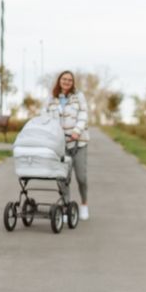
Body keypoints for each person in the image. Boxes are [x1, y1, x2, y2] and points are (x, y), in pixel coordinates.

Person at [45, 71, 90, 221]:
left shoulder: (79, 97)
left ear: (73, 83)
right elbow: (45, 117)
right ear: (59, 81)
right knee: (63, 178)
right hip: (60, 144)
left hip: (78, 142)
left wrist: (77, 131)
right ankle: (66, 207)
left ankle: (84, 204)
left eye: (70, 80)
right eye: (64, 79)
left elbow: (83, 115)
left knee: (81, 178)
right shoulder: (52, 98)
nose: (67, 82)